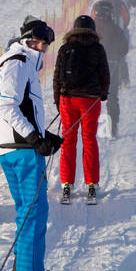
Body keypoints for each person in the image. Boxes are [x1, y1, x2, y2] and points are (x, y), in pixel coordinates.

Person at [0, 17, 64, 271]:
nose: (41, 47)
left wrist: (43, 135)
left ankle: (28, 270)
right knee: (34, 211)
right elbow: (7, 107)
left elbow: (23, 111)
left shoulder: (22, 64)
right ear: (24, 39)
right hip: (20, 149)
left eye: (45, 43)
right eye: (36, 41)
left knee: (29, 211)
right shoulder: (18, 63)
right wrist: (34, 139)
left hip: (17, 145)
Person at [53, 15, 108, 204]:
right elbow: (105, 74)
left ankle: (66, 184)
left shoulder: (65, 48)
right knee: (89, 140)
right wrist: (103, 94)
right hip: (90, 102)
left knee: (68, 141)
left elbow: (57, 76)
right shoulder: (97, 48)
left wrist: (57, 101)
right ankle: (92, 184)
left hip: (68, 99)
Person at [91, 0, 128, 137]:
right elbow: (124, 48)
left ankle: (91, 127)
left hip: (93, 68)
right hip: (111, 66)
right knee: (112, 97)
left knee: (91, 98)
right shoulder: (116, 28)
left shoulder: (90, 28)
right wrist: (116, 57)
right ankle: (113, 127)